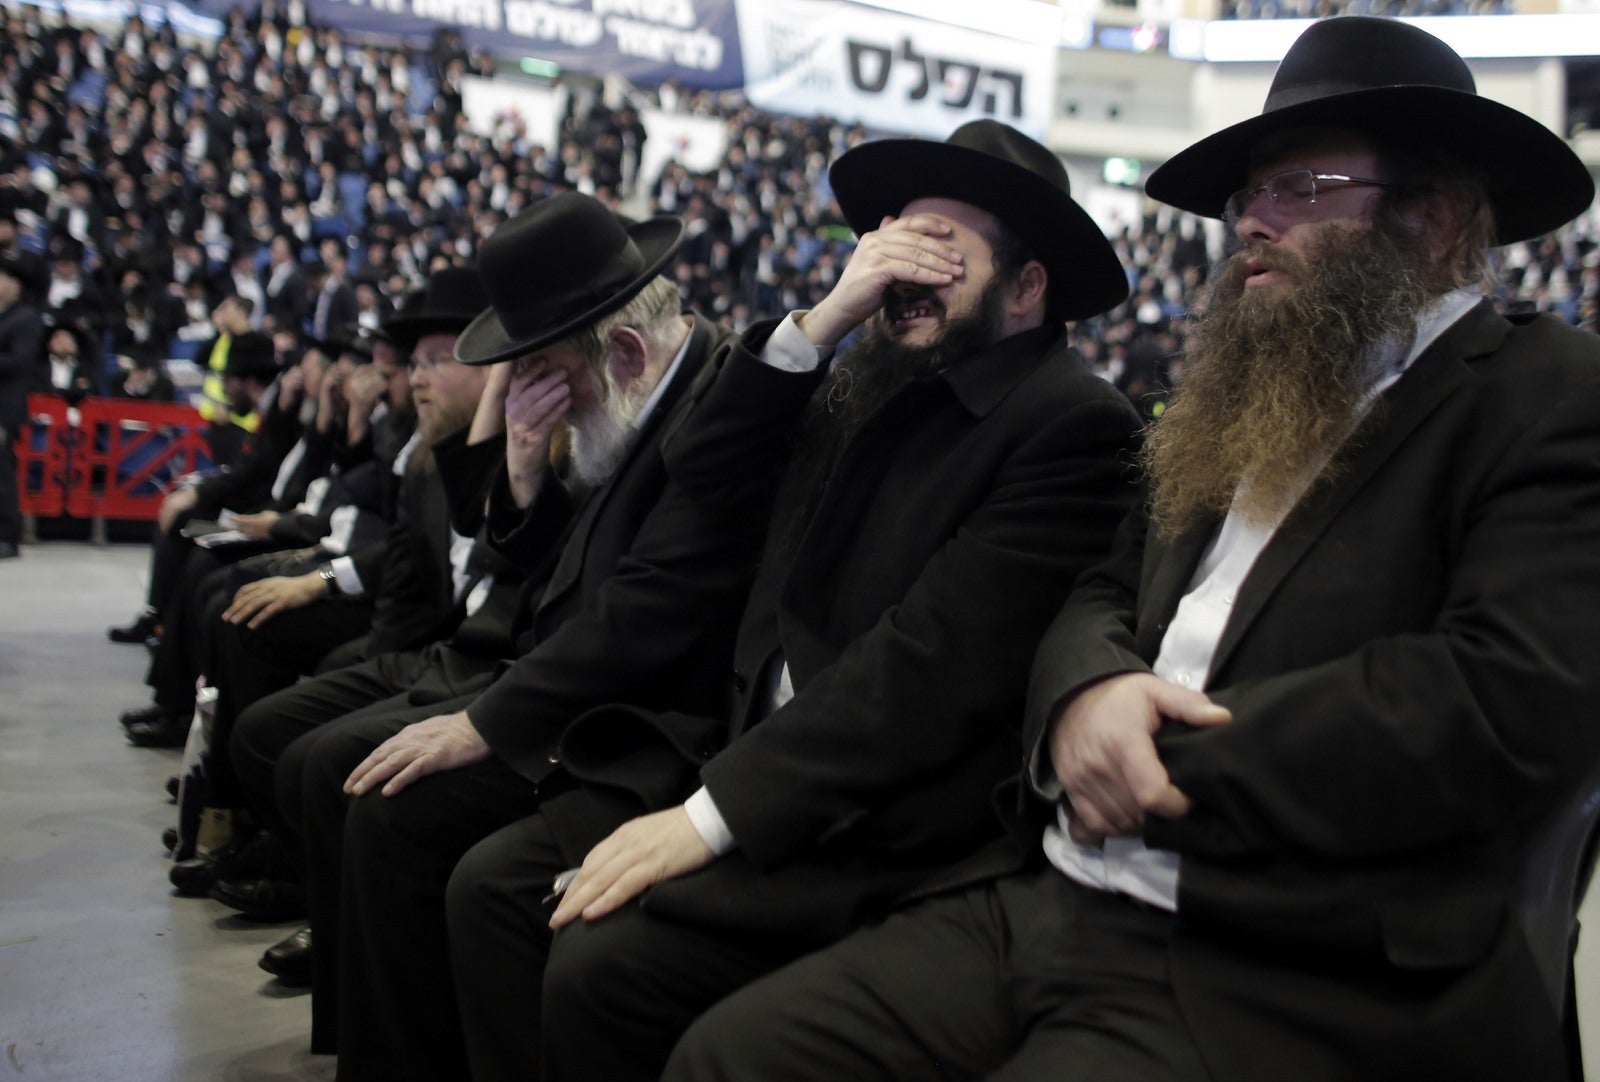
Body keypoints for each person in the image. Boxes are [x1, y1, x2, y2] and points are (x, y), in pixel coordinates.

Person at [664, 18, 1600, 1082]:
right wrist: (1085, 691)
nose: (1248, 219)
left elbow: (1507, 697)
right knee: (730, 1054)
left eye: (1299, 188)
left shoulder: (1548, 395)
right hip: (1059, 887)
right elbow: (1106, 589)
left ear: (1430, 220)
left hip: (1284, 950)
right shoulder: (1248, 392)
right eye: (1249, 194)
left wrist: (1152, 755)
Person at [429, 119, 1141, 1082]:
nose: (904, 270)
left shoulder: (1070, 424)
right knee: (498, 892)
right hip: (741, 754)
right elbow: (705, 470)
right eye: (895, 242)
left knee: (600, 962)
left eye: (942, 251)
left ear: (1027, 286)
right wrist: (821, 321)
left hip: (874, 823)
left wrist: (709, 817)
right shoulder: (866, 375)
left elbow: (919, 672)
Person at [225, 191, 754, 1071]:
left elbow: (646, 609)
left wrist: (485, 723)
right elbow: (557, 569)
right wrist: (519, 475)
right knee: (373, 787)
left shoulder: (720, 401)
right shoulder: (624, 397)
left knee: (408, 818)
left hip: (648, 725)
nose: (529, 392)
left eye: (544, 370)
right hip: (574, 686)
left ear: (622, 348)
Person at [0, 253, 45, 560]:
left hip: (4, 408)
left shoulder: (25, 318)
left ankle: (7, 536)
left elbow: (19, 360)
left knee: (2, 475)